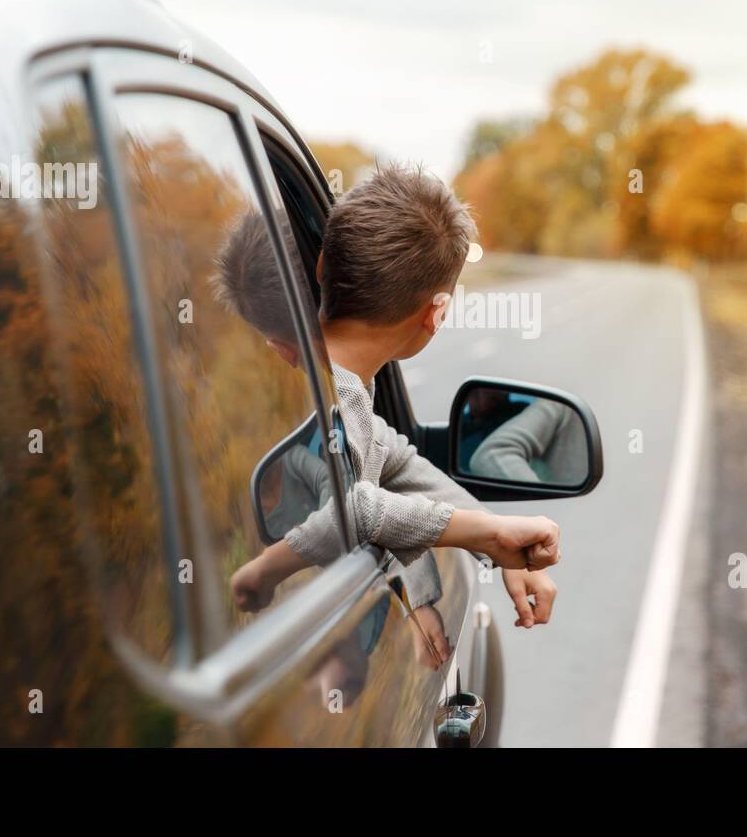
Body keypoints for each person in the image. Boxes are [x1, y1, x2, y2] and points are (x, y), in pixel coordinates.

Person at [216, 165, 559, 652]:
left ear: (321, 272)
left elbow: (389, 456)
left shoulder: (347, 390)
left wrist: (498, 545)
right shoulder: (330, 401)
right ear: (435, 315)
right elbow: (357, 506)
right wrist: (491, 531)